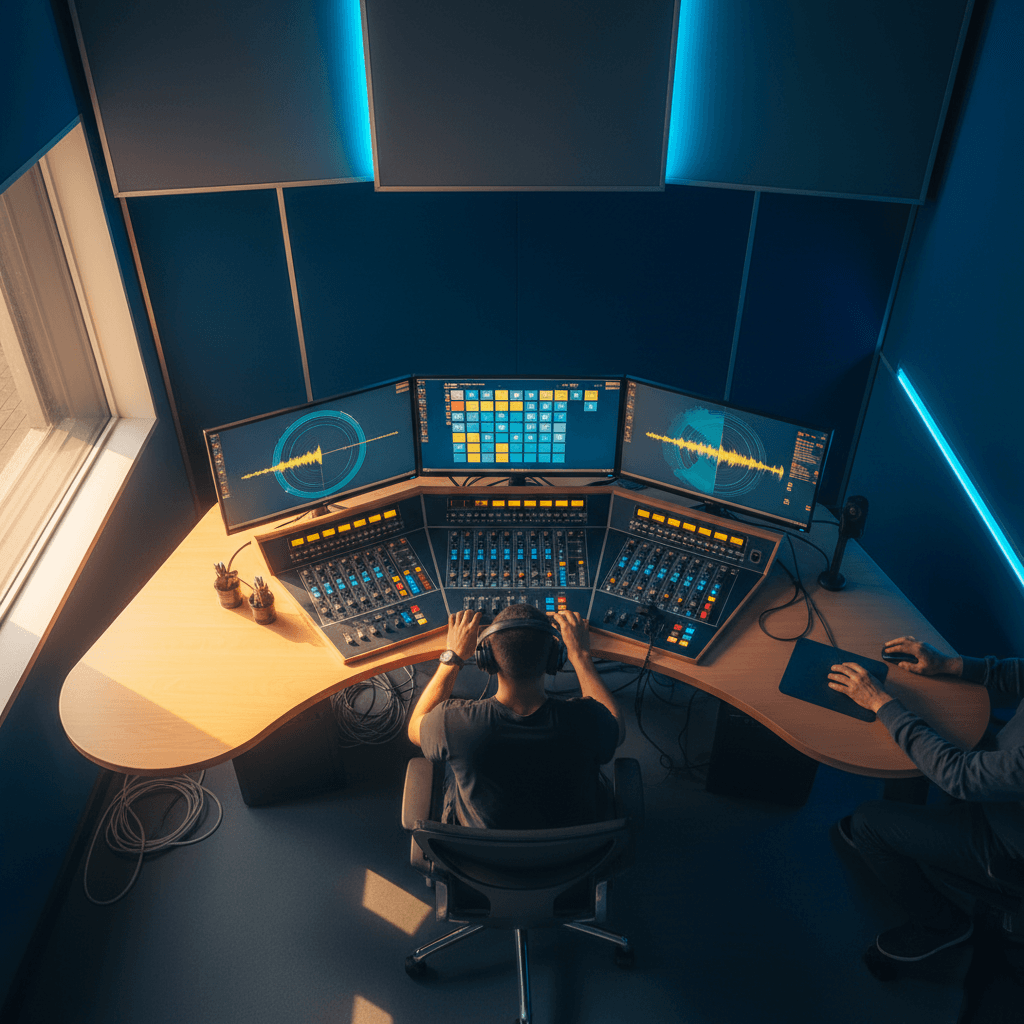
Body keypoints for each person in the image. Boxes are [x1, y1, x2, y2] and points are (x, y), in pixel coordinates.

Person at [827, 636, 1024, 963]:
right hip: (1001, 779)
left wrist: (880, 701)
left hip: (1006, 839)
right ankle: (908, 832)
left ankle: (940, 925)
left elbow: (957, 775)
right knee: (927, 733)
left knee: (867, 823)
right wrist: (950, 665)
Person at [407, 604, 624, 829]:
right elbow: (617, 727)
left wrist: (452, 657)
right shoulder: (588, 720)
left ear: (486, 659)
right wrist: (581, 655)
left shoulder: (451, 722)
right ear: (555, 658)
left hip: (479, 854)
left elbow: (414, 727)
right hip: (573, 852)